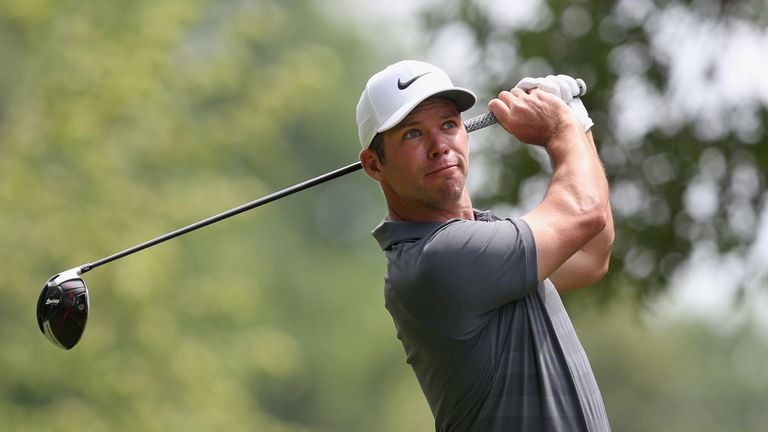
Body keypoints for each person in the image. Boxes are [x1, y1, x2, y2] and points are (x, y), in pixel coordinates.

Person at [356, 59, 614, 431]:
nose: (438, 146)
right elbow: (585, 213)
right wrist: (561, 127)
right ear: (374, 165)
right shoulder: (438, 259)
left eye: (448, 125)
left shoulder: (484, 238)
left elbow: (592, 254)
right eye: (412, 134)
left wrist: (577, 123)